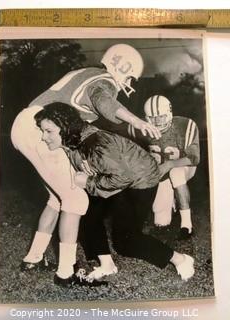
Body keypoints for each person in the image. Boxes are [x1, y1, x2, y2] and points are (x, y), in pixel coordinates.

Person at [11, 44, 161, 287]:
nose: (129, 82)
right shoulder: (103, 80)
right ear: (122, 67)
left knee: (56, 198)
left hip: (28, 124)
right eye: (130, 76)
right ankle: (65, 272)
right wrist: (135, 120)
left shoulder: (84, 72)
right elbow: (102, 100)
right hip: (41, 130)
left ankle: (34, 257)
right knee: (76, 199)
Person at [33, 102, 195, 284]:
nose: (43, 137)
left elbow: (121, 178)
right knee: (86, 212)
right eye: (42, 131)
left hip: (140, 180)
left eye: (48, 131)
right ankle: (107, 264)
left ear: (65, 128)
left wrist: (88, 182)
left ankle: (180, 259)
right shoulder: (72, 139)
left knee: (126, 241)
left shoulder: (95, 143)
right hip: (117, 177)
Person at [143, 95, 200, 240]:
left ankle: (187, 225)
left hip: (183, 167)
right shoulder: (139, 128)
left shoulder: (185, 125)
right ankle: (174, 199)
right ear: (146, 118)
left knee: (176, 173)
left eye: (161, 117)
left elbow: (194, 158)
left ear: (169, 114)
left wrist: (169, 164)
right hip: (160, 174)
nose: (157, 122)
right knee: (161, 222)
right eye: (153, 118)